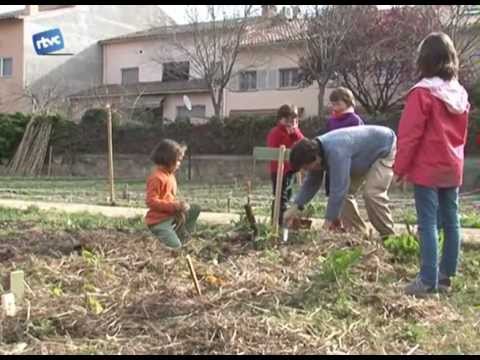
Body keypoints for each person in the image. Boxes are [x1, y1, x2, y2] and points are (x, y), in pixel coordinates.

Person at [394, 32, 470, 296]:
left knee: (427, 222)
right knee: (452, 221)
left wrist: (400, 168)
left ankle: (427, 281)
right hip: (452, 165)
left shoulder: (422, 93)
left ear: (424, 59)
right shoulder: (460, 93)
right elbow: (463, 135)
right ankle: (446, 276)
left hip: (427, 167)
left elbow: (410, 135)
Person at [284, 125, 397, 239]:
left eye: (307, 168)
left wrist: (327, 225)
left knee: (371, 193)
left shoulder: (336, 151)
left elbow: (338, 189)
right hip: (362, 156)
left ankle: (389, 236)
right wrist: (295, 207)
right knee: (345, 196)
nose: (306, 171)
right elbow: (312, 182)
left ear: (316, 159)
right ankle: (358, 235)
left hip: (384, 147)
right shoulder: (315, 151)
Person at [145, 139, 200, 249]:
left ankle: (182, 236)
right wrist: (174, 206)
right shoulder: (156, 177)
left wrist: (180, 206)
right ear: (168, 160)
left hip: (170, 216)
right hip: (159, 221)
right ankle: (167, 237)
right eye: (178, 161)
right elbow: (151, 201)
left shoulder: (170, 175)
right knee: (175, 246)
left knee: (194, 209)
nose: (179, 164)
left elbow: (169, 198)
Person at [266, 104, 304, 226]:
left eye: (292, 120)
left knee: (288, 195)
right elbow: (277, 149)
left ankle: (285, 221)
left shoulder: (294, 132)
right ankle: (277, 222)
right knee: (280, 197)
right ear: (280, 119)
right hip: (278, 170)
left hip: (290, 170)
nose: (289, 123)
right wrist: (291, 135)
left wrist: (295, 132)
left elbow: (303, 144)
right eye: (286, 119)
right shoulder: (276, 132)